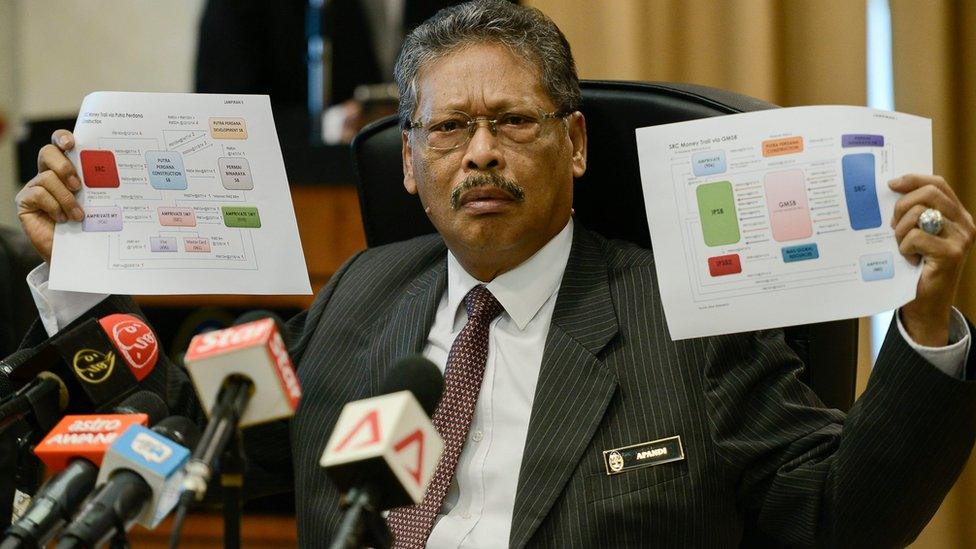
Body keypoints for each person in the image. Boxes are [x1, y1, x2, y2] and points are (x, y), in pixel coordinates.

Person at [13, 1, 976, 546]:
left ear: (576, 144)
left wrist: (926, 328)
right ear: (407, 164)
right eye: (448, 128)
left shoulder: (688, 314)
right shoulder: (358, 299)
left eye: (513, 122)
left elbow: (839, 518)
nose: (480, 153)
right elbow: (187, 433)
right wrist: (76, 278)